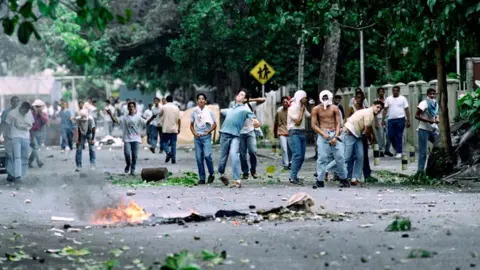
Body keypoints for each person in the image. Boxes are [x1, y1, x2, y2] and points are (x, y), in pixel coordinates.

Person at [218, 90, 260, 188]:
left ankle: (237, 180)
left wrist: (256, 122)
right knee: (222, 158)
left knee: (234, 155)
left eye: (241, 95)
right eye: (238, 94)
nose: (238, 95)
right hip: (224, 134)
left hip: (235, 136)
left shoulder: (245, 110)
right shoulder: (231, 109)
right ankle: (221, 175)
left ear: (245, 99)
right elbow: (223, 111)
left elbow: (253, 118)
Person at [311, 90, 349, 188]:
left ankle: (343, 179)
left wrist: (336, 137)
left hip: (334, 134)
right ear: (320, 98)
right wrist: (323, 134)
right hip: (323, 134)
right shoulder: (316, 109)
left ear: (330, 97)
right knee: (322, 158)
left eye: (326, 97)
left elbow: (338, 123)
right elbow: (313, 125)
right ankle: (320, 180)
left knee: (340, 157)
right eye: (323, 98)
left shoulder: (335, 108)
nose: (325, 100)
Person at [106, 102, 156, 175]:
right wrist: (110, 114)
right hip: (127, 139)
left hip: (136, 139)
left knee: (134, 155)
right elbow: (115, 120)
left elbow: (146, 123)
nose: (131, 108)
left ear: (135, 108)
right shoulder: (124, 117)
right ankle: (128, 164)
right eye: (130, 106)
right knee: (127, 153)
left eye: (133, 106)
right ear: (128, 108)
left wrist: (152, 118)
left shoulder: (138, 117)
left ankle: (132, 169)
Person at [344, 100, 384, 186]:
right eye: (377, 107)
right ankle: (335, 173)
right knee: (347, 158)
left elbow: (368, 130)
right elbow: (367, 131)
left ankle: (355, 178)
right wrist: (371, 141)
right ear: (373, 105)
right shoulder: (368, 113)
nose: (378, 109)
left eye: (380, 108)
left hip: (357, 135)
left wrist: (371, 140)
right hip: (350, 133)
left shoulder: (371, 114)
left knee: (360, 156)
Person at [190, 94, 217, 185]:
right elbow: (191, 124)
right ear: (197, 101)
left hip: (206, 137)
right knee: (198, 158)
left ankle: (211, 173)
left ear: (205, 101)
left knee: (207, 156)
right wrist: (194, 133)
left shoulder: (209, 112)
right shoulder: (194, 112)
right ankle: (202, 178)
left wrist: (208, 131)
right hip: (197, 137)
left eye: (202, 99)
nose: (201, 100)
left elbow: (214, 124)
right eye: (199, 99)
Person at [238, 95, 265, 180]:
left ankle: (253, 170)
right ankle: (245, 172)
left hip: (250, 131)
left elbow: (263, 100)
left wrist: (249, 100)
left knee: (252, 151)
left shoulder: (250, 104)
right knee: (242, 154)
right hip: (240, 133)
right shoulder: (235, 106)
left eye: (244, 96)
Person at [5, 102, 34, 182]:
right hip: (15, 137)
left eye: (26, 111)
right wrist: (7, 137)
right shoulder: (12, 113)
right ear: (21, 108)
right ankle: (17, 176)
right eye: (24, 111)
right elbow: (7, 125)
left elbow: (31, 126)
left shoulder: (29, 113)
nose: (25, 113)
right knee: (17, 157)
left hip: (26, 137)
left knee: (25, 157)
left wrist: (31, 139)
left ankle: (23, 175)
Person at [287, 90, 311, 185]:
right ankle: (292, 177)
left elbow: (309, 116)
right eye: (305, 98)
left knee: (302, 157)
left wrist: (312, 107)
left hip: (302, 133)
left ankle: (295, 176)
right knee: (297, 155)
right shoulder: (292, 108)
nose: (306, 99)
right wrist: (302, 110)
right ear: (300, 98)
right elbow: (298, 121)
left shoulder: (303, 107)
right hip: (294, 132)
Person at [415, 88, 439, 173]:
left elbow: (436, 115)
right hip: (423, 129)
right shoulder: (424, 103)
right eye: (430, 94)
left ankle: (433, 170)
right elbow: (416, 116)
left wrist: (437, 119)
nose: (432, 95)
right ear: (427, 95)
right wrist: (428, 121)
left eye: (433, 94)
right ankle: (420, 171)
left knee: (439, 147)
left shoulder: (435, 103)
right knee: (423, 152)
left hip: (433, 129)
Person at [382, 86, 410, 158]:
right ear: (392, 91)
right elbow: (385, 110)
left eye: (396, 90)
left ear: (399, 91)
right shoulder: (388, 99)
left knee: (399, 135)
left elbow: (407, 110)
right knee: (390, 135)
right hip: (391, 119)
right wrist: (383, 120)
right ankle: (396, 148)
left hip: (401, 119)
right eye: (394, 90)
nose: (395, 92)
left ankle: (399, 152)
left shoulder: (403, 98)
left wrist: (408, 120)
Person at [159, 96, 181, 164]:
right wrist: (179, 128)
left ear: (166, 100)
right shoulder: (176, 107)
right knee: (173, 144)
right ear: (172, 100)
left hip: (166, 128)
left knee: (163, 143)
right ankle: (173, 159)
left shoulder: (164, 107)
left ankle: (168, 153)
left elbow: (160, 114)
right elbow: (179, 119)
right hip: (174, 129)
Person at [29, 99, 48, 168]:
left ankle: (29, 161)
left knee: (35, 149)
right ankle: (39, 161)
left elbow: (45, 121)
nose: (38, 107)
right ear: (34, 107)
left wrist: (40, 115)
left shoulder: (44, 114)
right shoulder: (30, 115)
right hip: (32, 133)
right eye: (37, 106)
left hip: (40, 133)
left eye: (39, 106)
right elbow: (29, 126)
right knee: (35, 147)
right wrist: (31, 137)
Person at [274, 96, 291, 170]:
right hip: (281, 132)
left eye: (286, 102)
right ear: (282, 103)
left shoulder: (291, 112)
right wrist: (275, 133)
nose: (285, 103)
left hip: (290, 133)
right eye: (283, 102)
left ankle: (290, 162)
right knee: (284, 149)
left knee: (290, 149)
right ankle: (285, 164)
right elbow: (276, 123)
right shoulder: (279, 112)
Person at [374, 88, 387, 157]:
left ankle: (387, 149)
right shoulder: (376, 101)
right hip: (379, 118)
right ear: (378, 93)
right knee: (380, 135)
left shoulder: (387, 100)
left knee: (388, 134)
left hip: (387, 118)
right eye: (380, 92)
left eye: (382, 91)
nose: (381, 93)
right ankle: (381, 150)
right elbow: (374, 112)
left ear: (384, 92)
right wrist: (376, 121)